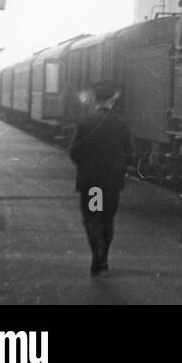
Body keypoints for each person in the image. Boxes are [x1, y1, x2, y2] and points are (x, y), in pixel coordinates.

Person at [68, 81, 134, 276]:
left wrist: (85, 167)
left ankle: (97, 254)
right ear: (111, 101)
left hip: (92, 183)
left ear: (95, 100)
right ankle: (103, 255)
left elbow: (74, 152)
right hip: (111, 182)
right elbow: (129, 153)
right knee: (107, 219)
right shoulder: (120, 124)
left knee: (93, 218)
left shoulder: (86, 123)